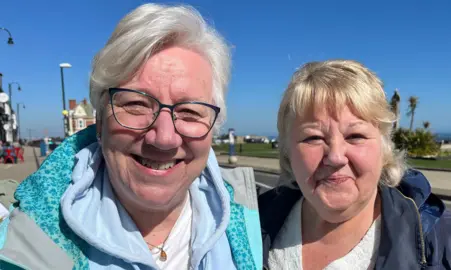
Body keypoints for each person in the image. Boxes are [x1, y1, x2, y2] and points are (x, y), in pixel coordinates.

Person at [0, 4, 262, 270]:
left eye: (190, 112)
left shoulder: (251, 218)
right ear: (100, 122)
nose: (164, 138)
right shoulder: (27, 245)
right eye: (137, 104)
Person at [259, 60, 451, 269]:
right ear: (288, 153)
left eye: (355, 135)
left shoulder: (442, 244)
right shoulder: (250, 224)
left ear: (384, 149)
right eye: (313, 138)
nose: (335, 157)